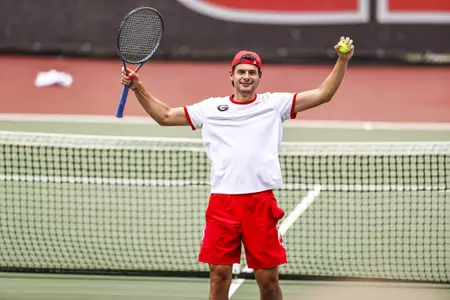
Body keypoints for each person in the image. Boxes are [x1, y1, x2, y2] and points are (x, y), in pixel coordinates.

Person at [121, 36, 354, 300]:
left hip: (260, 203)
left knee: (268, 281)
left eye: (252, 72)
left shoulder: (274, 105)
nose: (246, 77)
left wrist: (342, 60)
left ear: (259, 77)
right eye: (241, 72)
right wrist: (138, 88)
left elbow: (323, 94)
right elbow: (164, 116)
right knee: (219, 276)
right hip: (222, 204)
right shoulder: (210, 109)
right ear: (231, 76)